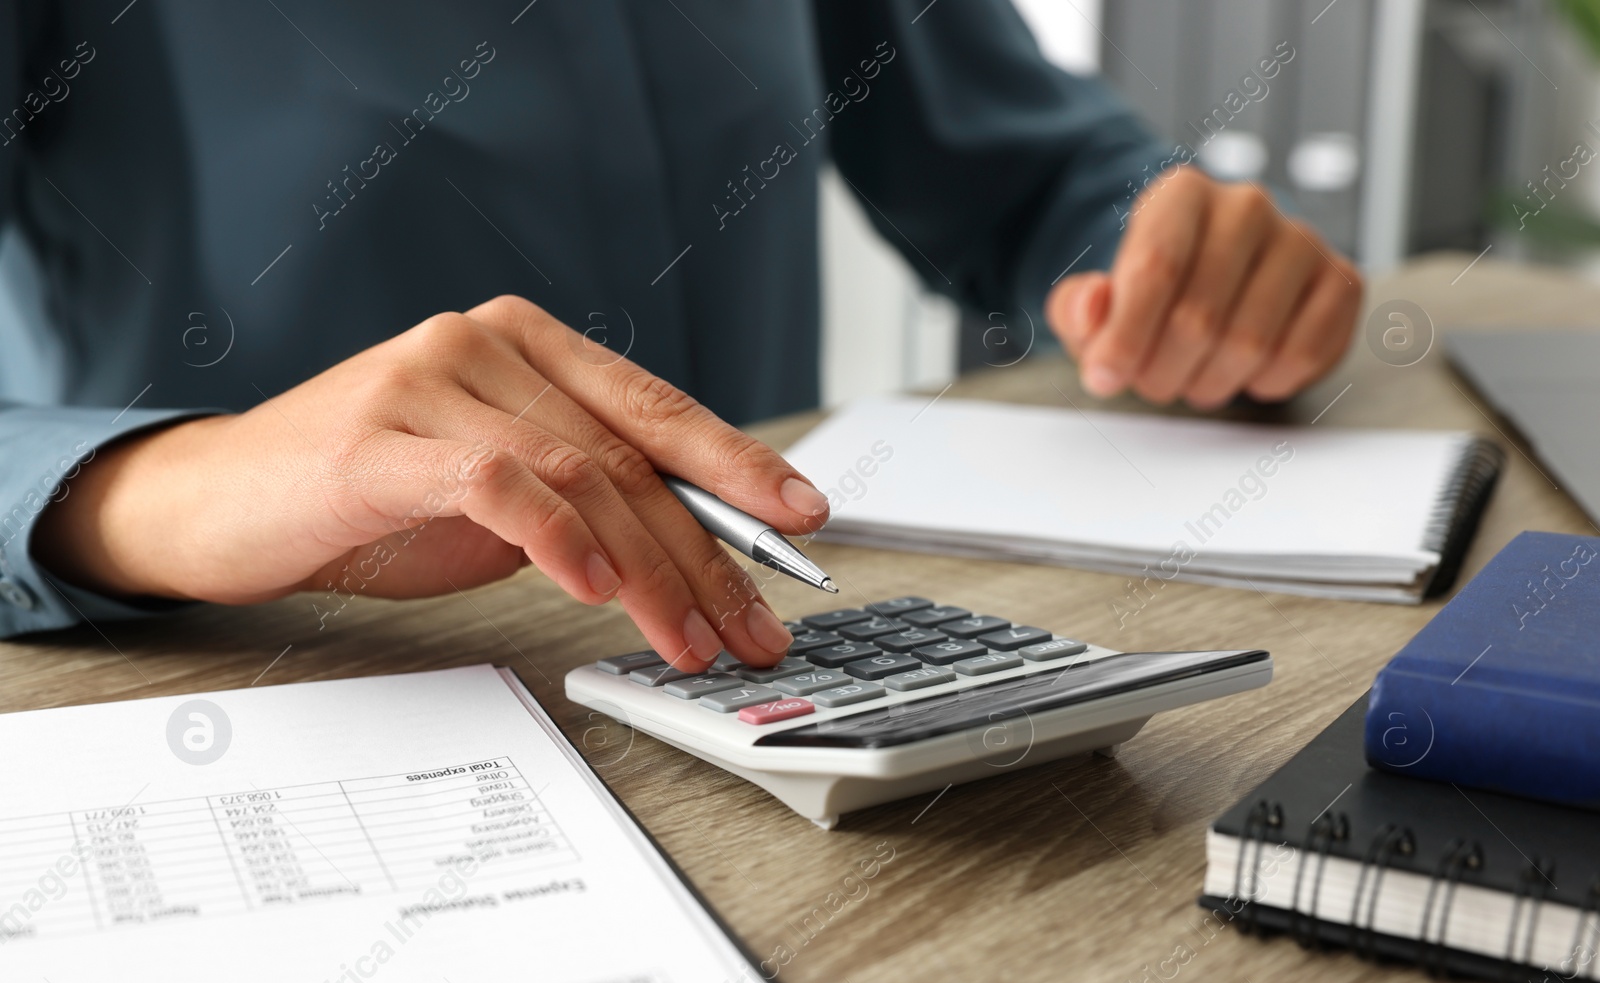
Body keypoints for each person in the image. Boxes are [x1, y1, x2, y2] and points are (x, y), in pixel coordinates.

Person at [0, 1, 1360, 668]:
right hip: (284, 703)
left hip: (761, 679)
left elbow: (1035, 177)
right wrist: (167, 486)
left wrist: (1173, 267)